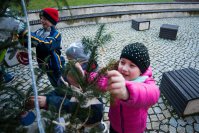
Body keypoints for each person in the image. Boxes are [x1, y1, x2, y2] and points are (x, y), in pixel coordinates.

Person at [26, 42, 107, 132]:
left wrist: (49, 101)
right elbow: (61, 90)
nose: (70, 65)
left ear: (85, 62)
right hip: (76, 114)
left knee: (95, 124)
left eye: (74, 61)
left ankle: (100, 128)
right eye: (69, 61)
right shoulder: (69, 74)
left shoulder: (93, 81)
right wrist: (46, 98)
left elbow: (77, 106)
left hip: (91, 115)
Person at [94, 42, 160, 133]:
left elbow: (154, 94)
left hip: (134, 129)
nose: (124, 68)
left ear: (141, 70)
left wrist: (127, 92)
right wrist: (84, 77)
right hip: (114, 124)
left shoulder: (146, 81)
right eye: (122, 62)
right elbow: (101, 81)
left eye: (132, 65)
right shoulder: (116, 75)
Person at [19, 7, 64, 87]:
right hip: (45, 67)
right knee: (54, 84)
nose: (42, 21)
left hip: (56, 67)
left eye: (45, 19)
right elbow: (31, 41)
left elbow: (46, 45)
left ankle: (65, 96)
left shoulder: (56, 35)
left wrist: (27, 34)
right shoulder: (40, 31)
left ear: (52, 21)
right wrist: (22, 37)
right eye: (41, 18)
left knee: (61, 84)